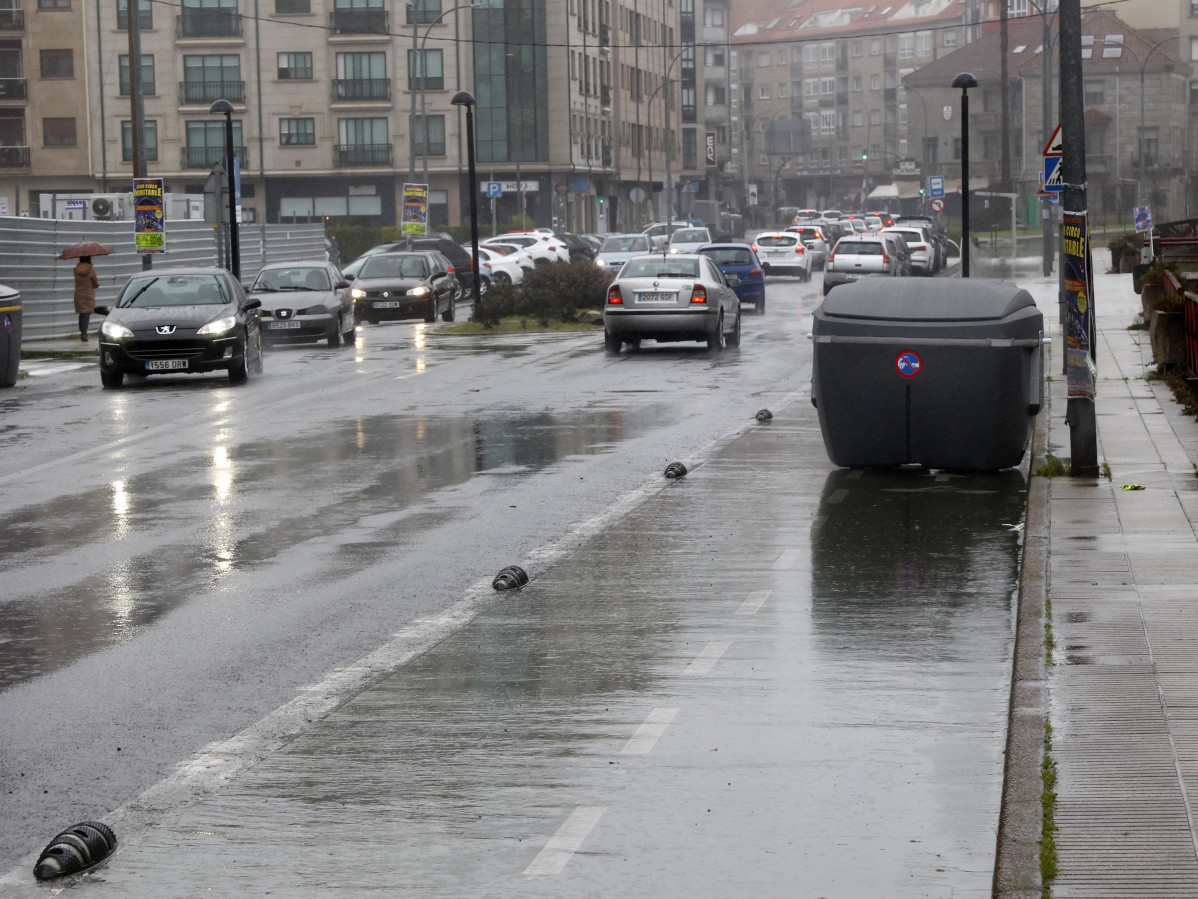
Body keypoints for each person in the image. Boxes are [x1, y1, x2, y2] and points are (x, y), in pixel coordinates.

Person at [73, 255, 99, 342]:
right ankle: (84, 333)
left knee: (82, 313)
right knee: (86, 314)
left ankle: (82, 331)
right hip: (88, 294)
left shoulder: (76, 270)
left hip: (79, 294)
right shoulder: (91, 270)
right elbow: (95, 283)